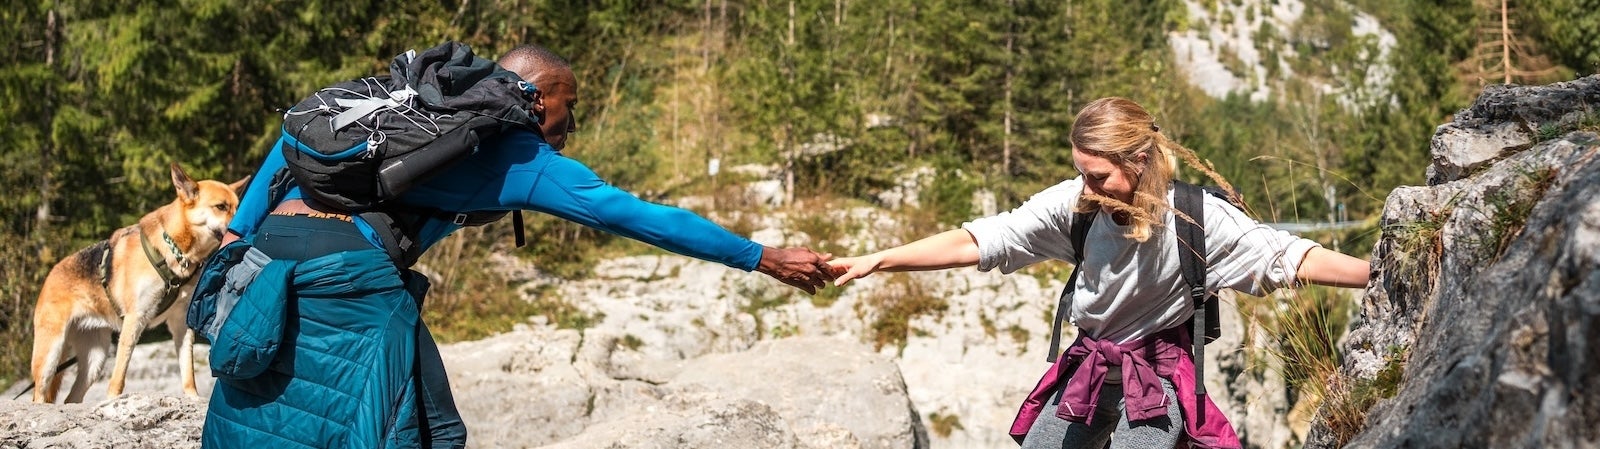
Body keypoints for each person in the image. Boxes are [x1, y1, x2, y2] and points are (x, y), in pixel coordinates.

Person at [201, 43, 837, 448]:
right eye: (570, 105)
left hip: (271, 251)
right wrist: (761, 256)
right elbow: (639, 216)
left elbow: (289, 145)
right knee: (423, 430)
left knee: (270, 406)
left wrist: (237, 236)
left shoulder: (402, 103)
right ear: (535, 99)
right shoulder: (521, 154)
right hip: (351, 275)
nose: (573, 122)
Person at [826, 97, 1371, 449]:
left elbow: (1293, 257)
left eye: (1098, 175)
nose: (1086, 187)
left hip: (1154, 374)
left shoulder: (1201, 221)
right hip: (1090, 365)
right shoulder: (1075, 206)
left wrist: (1378, 273)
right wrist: (882, 258)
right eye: (1080, 173)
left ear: (1138, 161)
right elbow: (980, 240)